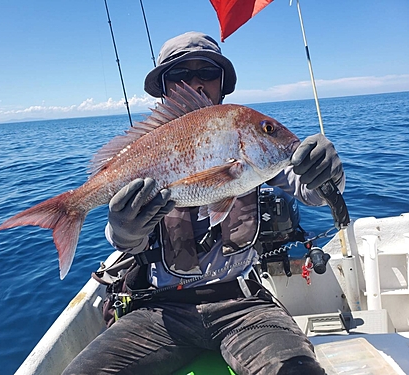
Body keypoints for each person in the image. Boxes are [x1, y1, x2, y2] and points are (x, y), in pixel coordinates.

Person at [63, 31, 344, 375]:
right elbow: (126, 241)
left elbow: (310, 191)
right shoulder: (149, 146)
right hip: (160, 311)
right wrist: (123, 229)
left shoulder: (247, 141)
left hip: (243, 305)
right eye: (180, 75)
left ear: (222, 84)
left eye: (207, 73)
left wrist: (326, 174)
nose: (195, 83)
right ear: (165, 87)